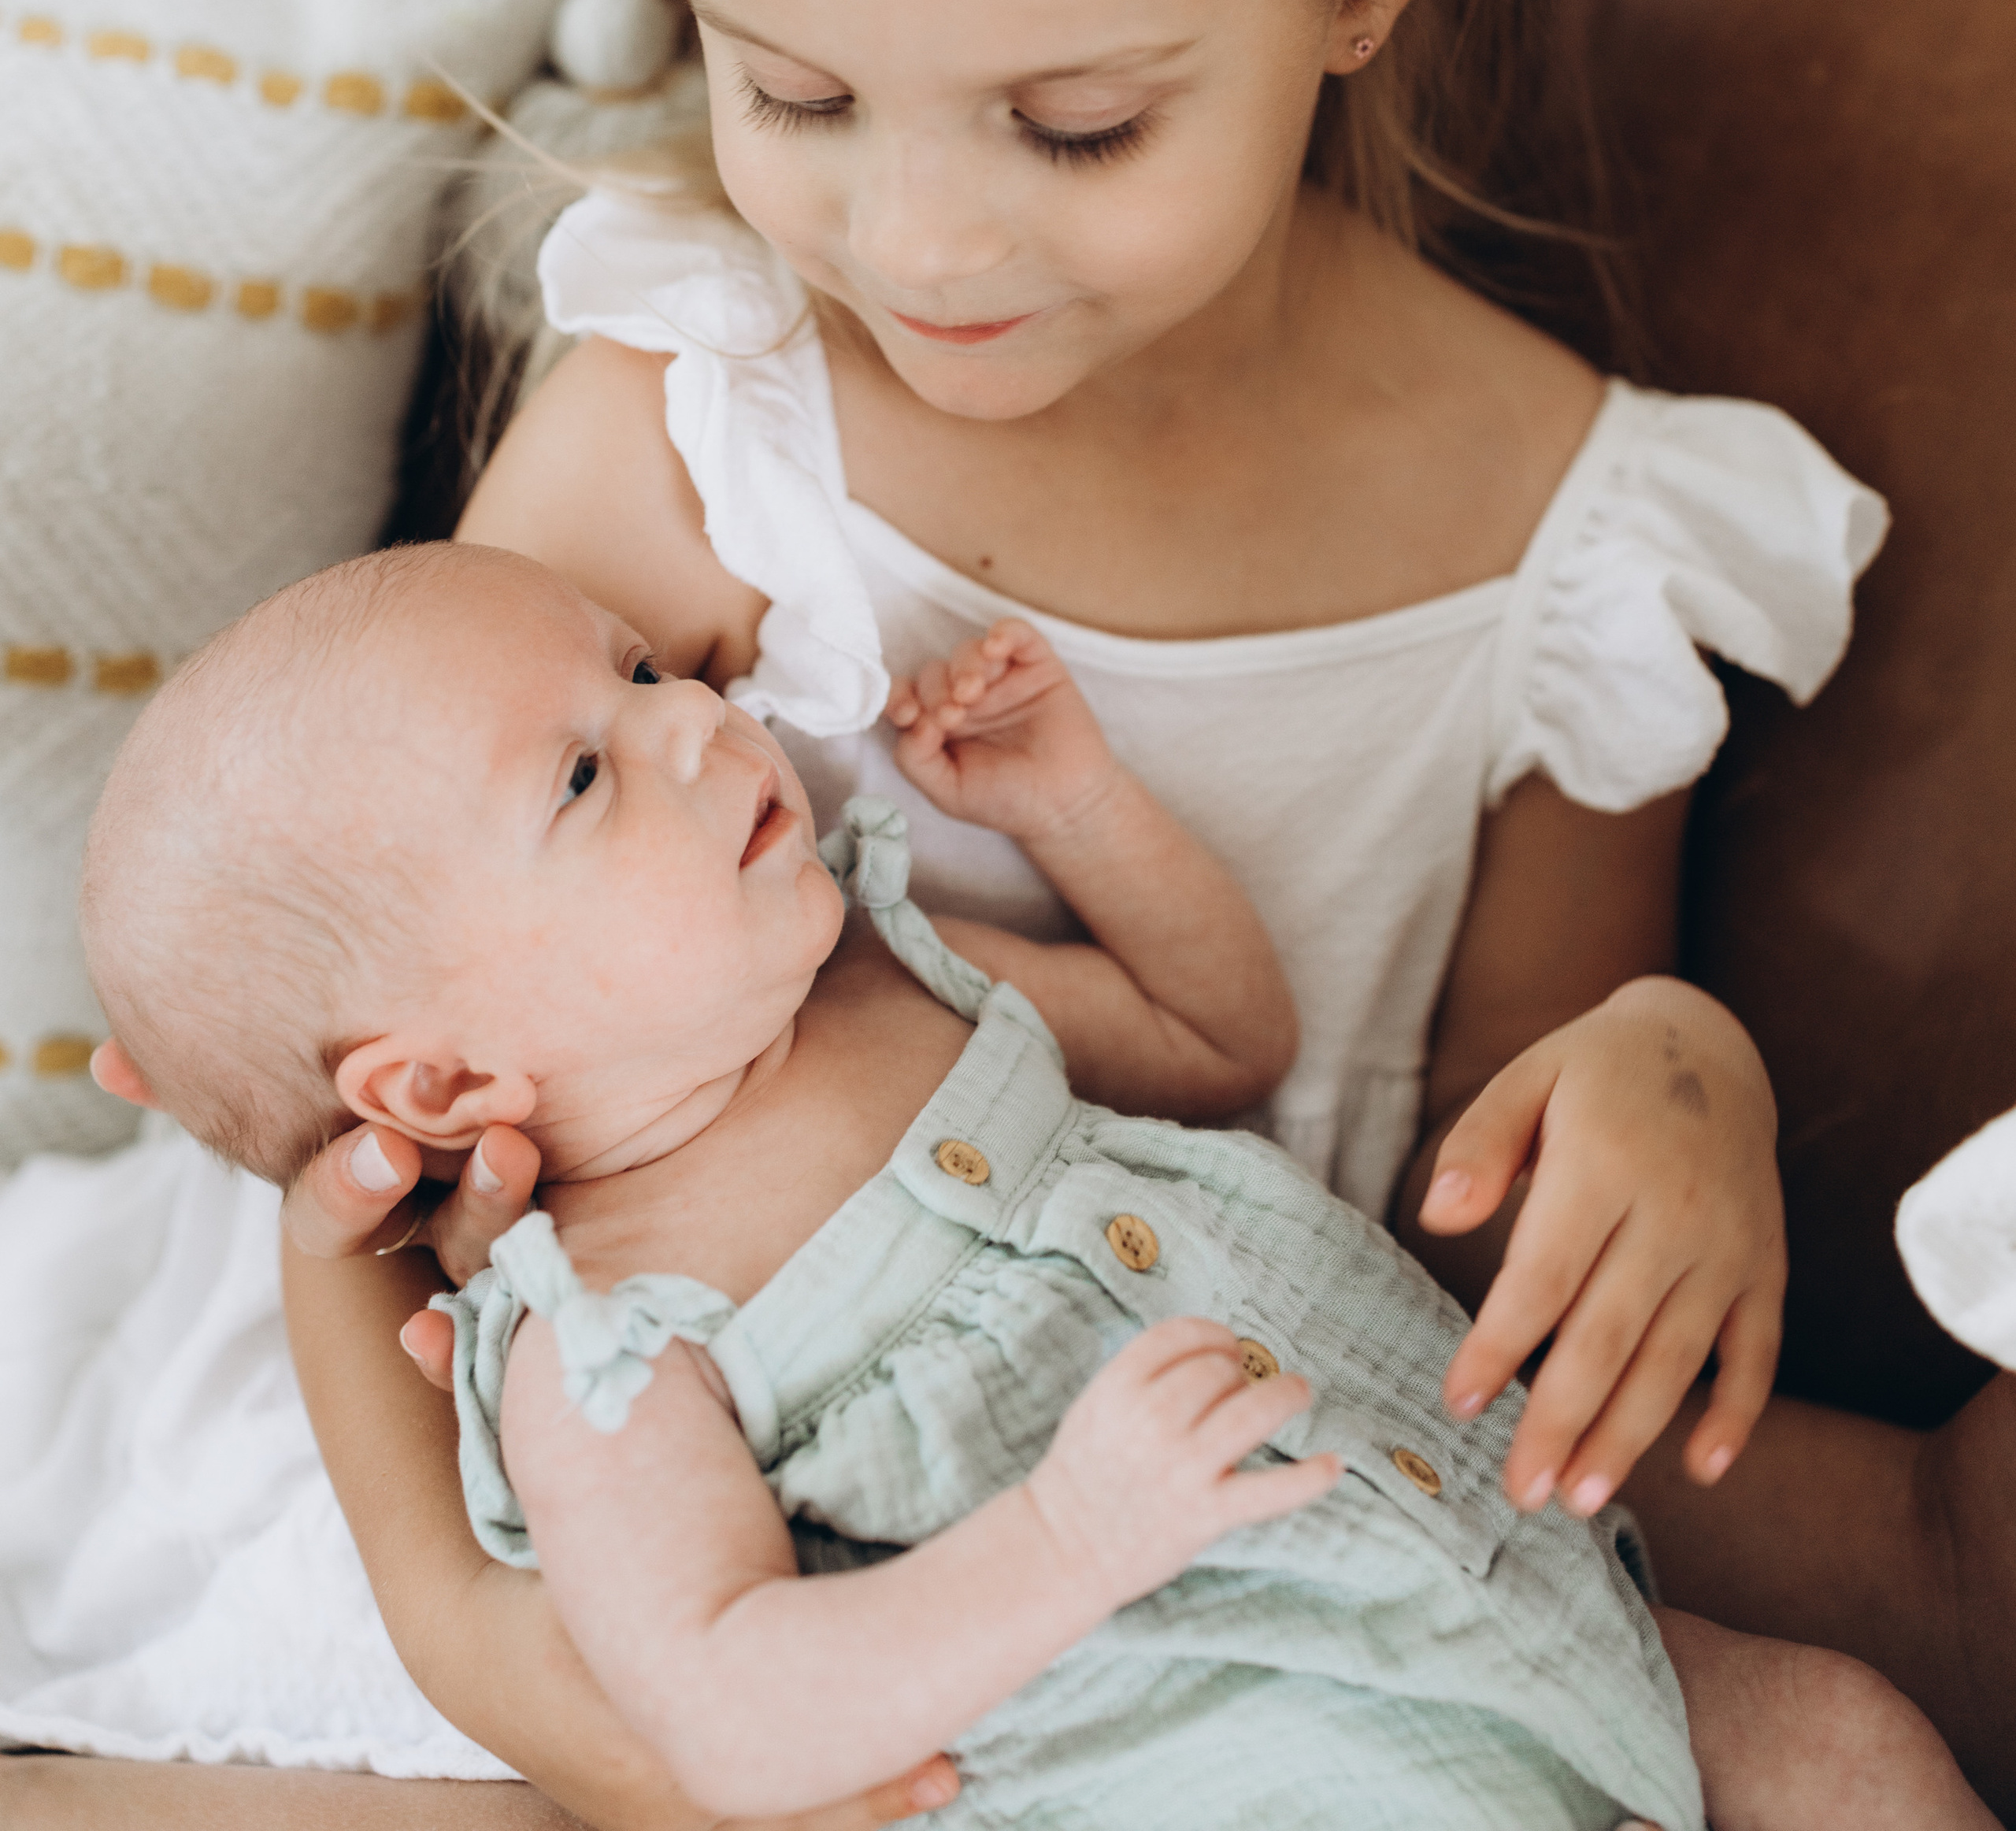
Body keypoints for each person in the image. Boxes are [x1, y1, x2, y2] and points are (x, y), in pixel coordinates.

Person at [141, 0, 1986, 1827]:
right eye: (793, 92)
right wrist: (490, 1653)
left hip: (1298, 1493)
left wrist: (1680, 1077)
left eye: (1077, 125)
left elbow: (1478, 1214)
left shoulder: (1580, 556)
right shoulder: (701, 404)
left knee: (1865, 1734)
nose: (918, 244)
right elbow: (380, 1135)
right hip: (766, 1571)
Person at [83, 544, 1722, 1831]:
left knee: (1836, 1737)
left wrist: (1076, 809)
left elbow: (1225, 1038)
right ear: (442, 1090)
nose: (689, 715)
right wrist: (1064, 1539)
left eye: (638, 667)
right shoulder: (599, 1348)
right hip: (1210, 1762)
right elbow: (721, 1709)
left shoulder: (887, 977)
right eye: (580, 777)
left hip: (1512, 1597)